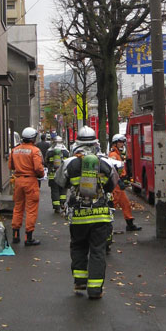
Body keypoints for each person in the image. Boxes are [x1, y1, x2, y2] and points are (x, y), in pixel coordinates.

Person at [54, 126, 118, 299]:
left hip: (79, 215)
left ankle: (80, 281)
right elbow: (112, 184)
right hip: (100, 214)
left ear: (77, 143)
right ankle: (95, 290)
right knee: (98, 250)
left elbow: (60, 182)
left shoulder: (70, 163)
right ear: (96, 143)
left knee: (78, 246)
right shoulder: (105, 162)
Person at [8, 127, 45, 246]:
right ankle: (28, 237)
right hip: (30, 181)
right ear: (33, 138)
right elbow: (38, 168)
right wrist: (42, 174)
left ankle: (15, 234)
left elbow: (11, 166)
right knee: (31, 209)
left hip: (18, 181)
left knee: (18, 207)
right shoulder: (35, 151)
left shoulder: (15, 150)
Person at [108, 134, 140, 232]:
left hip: (119, 182)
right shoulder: (113, 155)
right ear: (115, 143)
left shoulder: (118, 154)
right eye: (120, 142)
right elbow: (113, 170)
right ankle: (106, 225)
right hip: (116, 183)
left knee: (125, 204)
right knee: (112, 204)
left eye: (123, 142)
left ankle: (130, 224)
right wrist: (119, 180)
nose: (122, 144)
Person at [45, 135, 70, 212]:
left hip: (53, 174)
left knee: (55, 190)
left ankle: (56, 207)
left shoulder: (50, 151)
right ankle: (62, 203)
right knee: (63, 189)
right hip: (63, 174)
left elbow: (46, 161)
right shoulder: (66, 151)